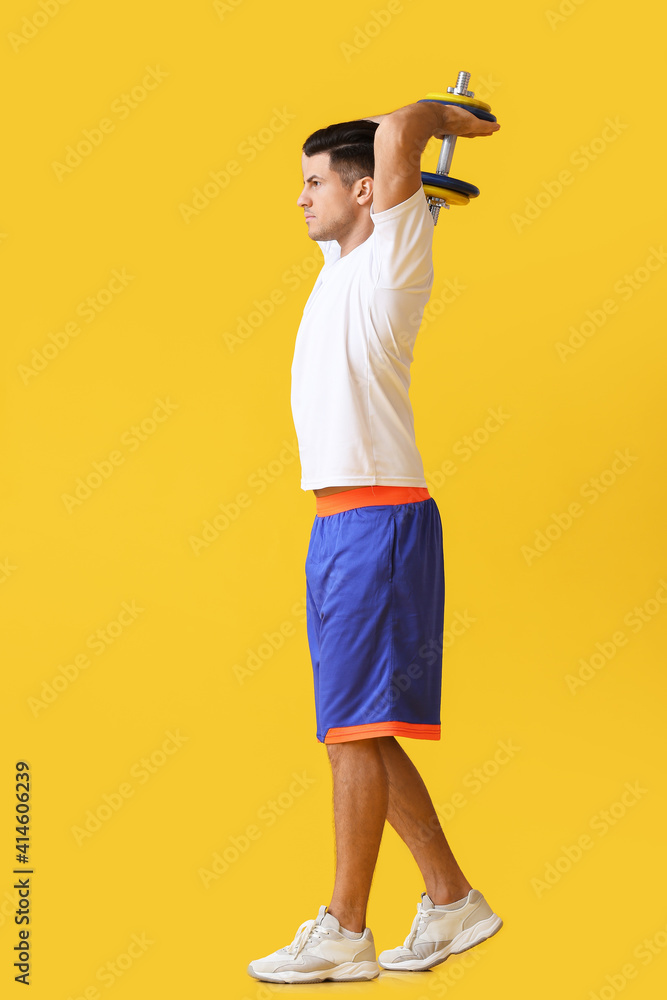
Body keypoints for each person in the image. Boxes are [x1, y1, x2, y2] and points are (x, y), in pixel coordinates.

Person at [247, 100, 502, 985]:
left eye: (315, 182)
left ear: (368, 193)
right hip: (336, 524)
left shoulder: (393, 257)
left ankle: (345, 930)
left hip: (379, 519)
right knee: (353, 728)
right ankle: (450, 900)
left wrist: (446, 118)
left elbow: (397, 135)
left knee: (352, 730)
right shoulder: (340, 261)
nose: (300, 200)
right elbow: (379, 164)